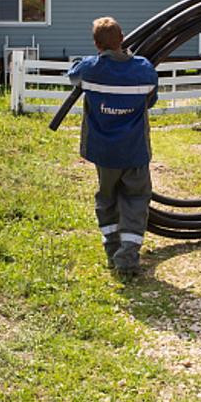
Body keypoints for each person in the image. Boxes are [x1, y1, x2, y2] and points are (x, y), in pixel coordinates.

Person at [67, 17, 159, 276]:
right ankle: (127, 259)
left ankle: (112, 251)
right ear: (123, 39)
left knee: (107, 199)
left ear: (97, 44)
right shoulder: (144, 69)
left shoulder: (90, 69)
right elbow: (150, 100)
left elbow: (73, 75)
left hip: (103, 152)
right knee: (136, 200)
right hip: (135, 151)